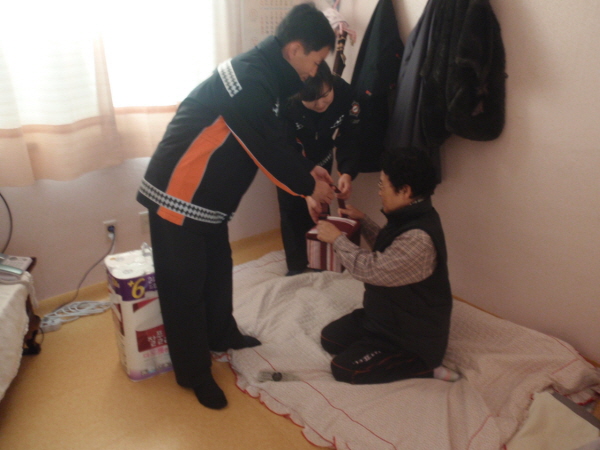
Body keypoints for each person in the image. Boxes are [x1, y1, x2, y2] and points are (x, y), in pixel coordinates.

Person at [136, 3, 336, 409]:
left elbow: (278, 134)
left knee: (216, 271)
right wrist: (309, 188)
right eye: (316, 61)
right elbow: (267, 147)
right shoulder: (248, 78)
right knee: (184, 287)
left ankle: (221, 334)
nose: (315, 71)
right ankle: (194, 373)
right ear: (295, 50)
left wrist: (309, 170)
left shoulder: (269, 77)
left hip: (208, 201)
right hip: (178, 192)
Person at [315, 147, 455, 384]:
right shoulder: (412, 213)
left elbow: (371, 270)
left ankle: (426, 368)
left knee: (343, 369)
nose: (379, 192)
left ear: (405, 191)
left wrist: (337, 239)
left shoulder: (419, 239)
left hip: (410, 336)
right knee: (330, 339)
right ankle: (374, 341)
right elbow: (391, 251)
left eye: (382, 185)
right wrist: (363, 221)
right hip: (383, 318)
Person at [279, 61, 360, 275]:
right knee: (291, 210)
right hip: (292, 159)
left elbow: (350, 137)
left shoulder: (344, 93)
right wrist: (306, 190)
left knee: (321, 208)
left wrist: (347, 172)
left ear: (331, 83)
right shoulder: (285, 101)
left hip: (323, 154)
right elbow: (284, 148)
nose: (320, 104)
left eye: (325, 95)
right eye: (312, 99)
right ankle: (296, 265)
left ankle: (320, 260)